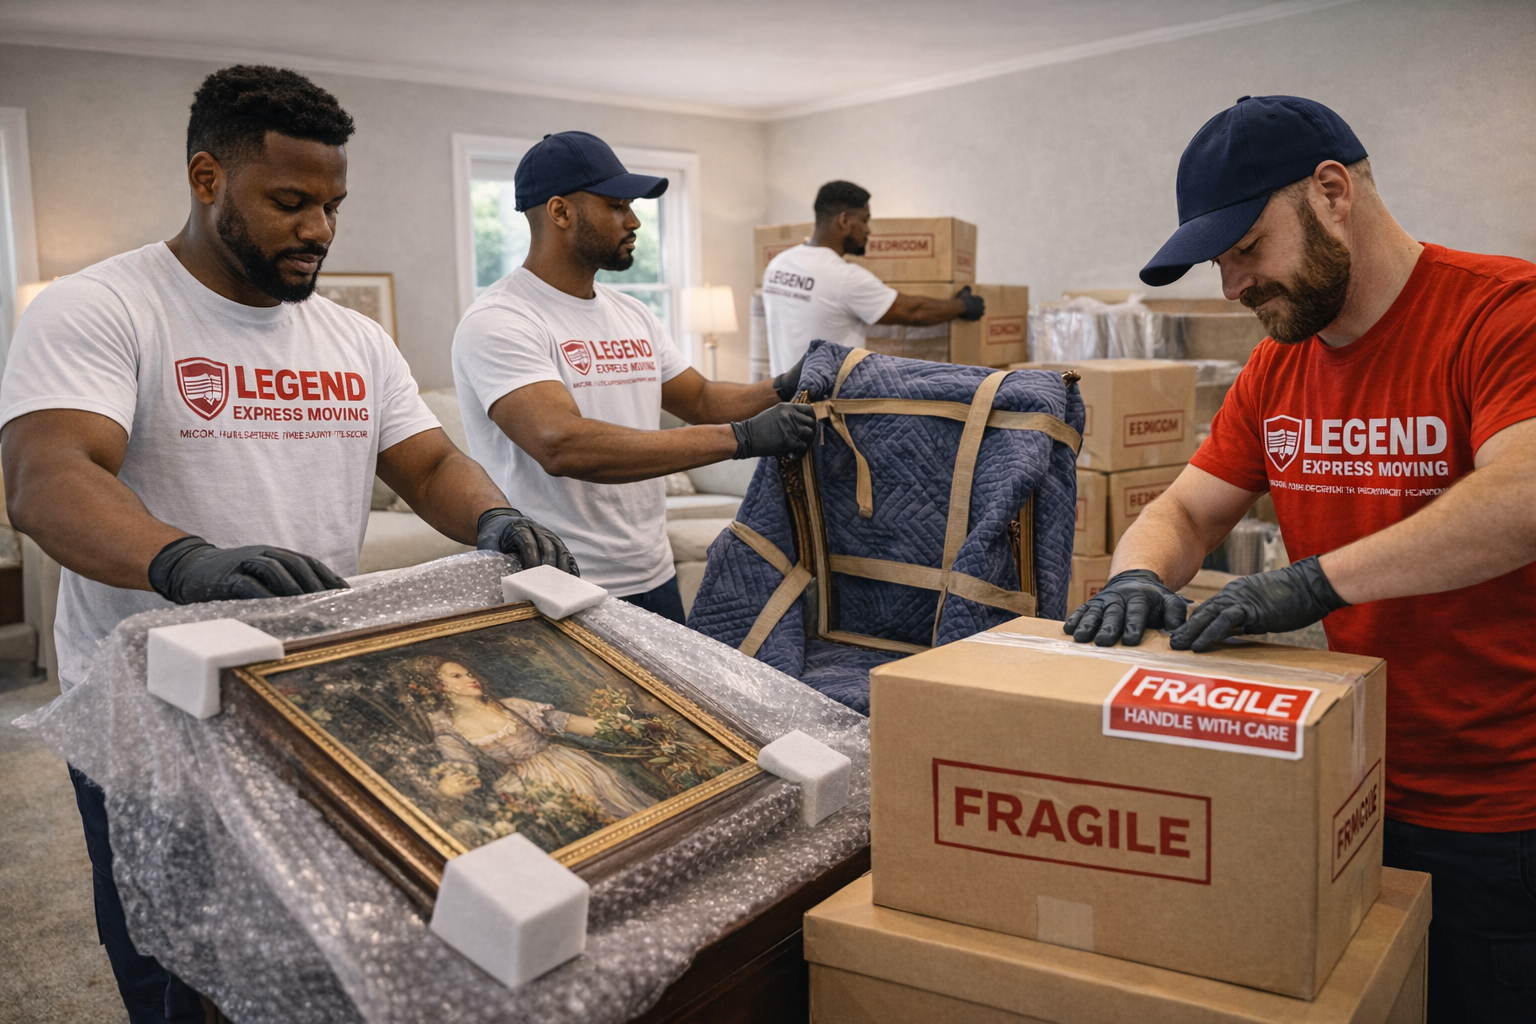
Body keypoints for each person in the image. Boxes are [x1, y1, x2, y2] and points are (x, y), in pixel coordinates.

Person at [0, 66, 574, 1024]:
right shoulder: (103, 308)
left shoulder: (352, 340)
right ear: (205, 177)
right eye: (291, 202)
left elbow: (428, 463)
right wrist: (181, 559)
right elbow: (47, 477)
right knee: (172, 961)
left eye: (333, 204)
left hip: (306, 694)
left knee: (298, 944)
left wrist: (492, 518)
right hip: (145, 718)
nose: (319, 228)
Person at [1064, 95, 1536, 1022]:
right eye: (1218, 263)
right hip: (1346, 780)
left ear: (1330, 193)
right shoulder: (1280, 364)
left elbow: (1522, 498)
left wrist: (1311, 582)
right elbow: (1189, 510)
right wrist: (1133, 572)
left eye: (1245, 248)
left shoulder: (1501, 310)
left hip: (1500, 807)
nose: (1232, 286)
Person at [452, 131, 816, 624]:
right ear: (560, 212)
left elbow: (703, 399)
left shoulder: (632, 314)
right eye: (617, 205)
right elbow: (561, 443)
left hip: (652, 573)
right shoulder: (501, 319)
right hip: (557, 582)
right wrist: (741, 439)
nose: (635, 220)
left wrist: (783, 384)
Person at [760, 180, 986, 375]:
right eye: (865, 220)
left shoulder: (778, 264)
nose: (868, 231)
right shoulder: (842, 277)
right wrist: (963, 305)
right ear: (844, 220)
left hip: (782, 400)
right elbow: (913, 312)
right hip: (826, 406)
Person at [416, 657, 655, 819]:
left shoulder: (512, 706)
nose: (470, 678)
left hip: (571, 767)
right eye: (457, 676)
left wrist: (626, 726)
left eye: (468, 673)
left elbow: (570, 723)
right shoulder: (447, 727)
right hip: (527, 788)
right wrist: (448, 787)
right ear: (439, 686)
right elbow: (461, 767)